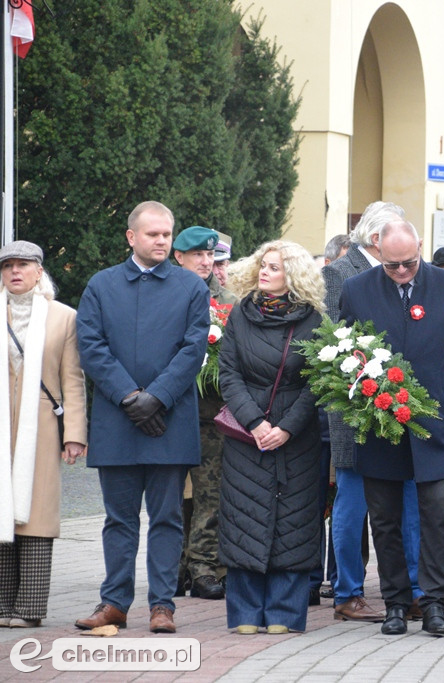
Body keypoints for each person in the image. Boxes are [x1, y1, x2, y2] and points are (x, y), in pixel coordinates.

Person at [340, 219, 444, 637]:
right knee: (384, 519)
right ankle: (396, 603)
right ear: (377, 252)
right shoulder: (358, 289)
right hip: (380, 421)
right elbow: (345, 357)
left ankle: (435, 602)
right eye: (393, 265)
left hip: (431, 423)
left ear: (421, 247)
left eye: (409, 263)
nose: (402, 272)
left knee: (436, 513)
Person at [75, 201, 209, 634]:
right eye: (153, 234)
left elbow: (193, 349)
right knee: (119, 518)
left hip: (168, 420)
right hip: (119, 420)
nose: (162, 241)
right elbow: (92, 347)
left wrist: (158, 398)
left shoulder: (191, 288)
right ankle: (114, 603)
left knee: (168, 518)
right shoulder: (101, 284)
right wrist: (132, 398)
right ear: (131, 237)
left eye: (167, 235)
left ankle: (162, 606)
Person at [323, 202, 424, 624]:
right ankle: (347, 591)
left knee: (407, 500)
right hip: (356, 406)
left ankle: (410, 588)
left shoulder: (405, 273)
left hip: (403, 406)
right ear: (376, 239)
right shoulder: (338, 272)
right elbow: (333, 338)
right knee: (352, 502)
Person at [216, 240, 324, 634]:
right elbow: (228, 373)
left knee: (294, 522)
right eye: (263, 265)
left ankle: (284, 613)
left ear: (292, 275)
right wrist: (255, 423)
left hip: (296, 436)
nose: (265, 272)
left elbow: (317, 382)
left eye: (275, 267)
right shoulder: (240, 316)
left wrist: (287, 428)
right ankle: (244, 613)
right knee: (242, 516)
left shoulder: (314, 321)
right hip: (248, 435)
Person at [0, 241, 87, 628]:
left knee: (38, 514)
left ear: (39, 272)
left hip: (41, 425)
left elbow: (73, 380)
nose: (15, 272)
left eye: (23, 265)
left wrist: (75, 434)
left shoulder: (63, 317)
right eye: (8, 266)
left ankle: (30, 609)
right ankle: (1, 606)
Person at [173, 226, 238, 602]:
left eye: (210, 256)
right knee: (169, 498)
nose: (206, 261)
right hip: (168, 413)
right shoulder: (163, 296)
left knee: (210, 496)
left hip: (211, 413)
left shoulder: (227, 301)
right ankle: (174, 567)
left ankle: (202, 567)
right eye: (198, 255)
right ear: (178, 257)